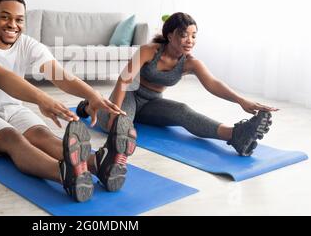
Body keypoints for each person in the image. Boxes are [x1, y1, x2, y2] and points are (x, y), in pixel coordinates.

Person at [0, 0, 136, 203]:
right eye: (5, 17)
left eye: (19, 19)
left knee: (42, 135)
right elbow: (2, 78)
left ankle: (98, 164)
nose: (12, 24)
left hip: (12, 108)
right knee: (14, 139)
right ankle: (65, 174)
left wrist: (92, 95)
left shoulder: (27, 44)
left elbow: (58, 74)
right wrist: (42, 99)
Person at [76, 12, 278, 157]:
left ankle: (235, 135)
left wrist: (241, 100)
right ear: (170, 35)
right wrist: (114, 112)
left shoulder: (190, 62)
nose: (189, 40)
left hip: (152, 103)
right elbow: (124, 80)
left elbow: (213, 84)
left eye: (193, 35)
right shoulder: (149, 51)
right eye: (184, 35)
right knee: (122, 124)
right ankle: (88, 105)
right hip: (130, 93)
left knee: (182, 111)